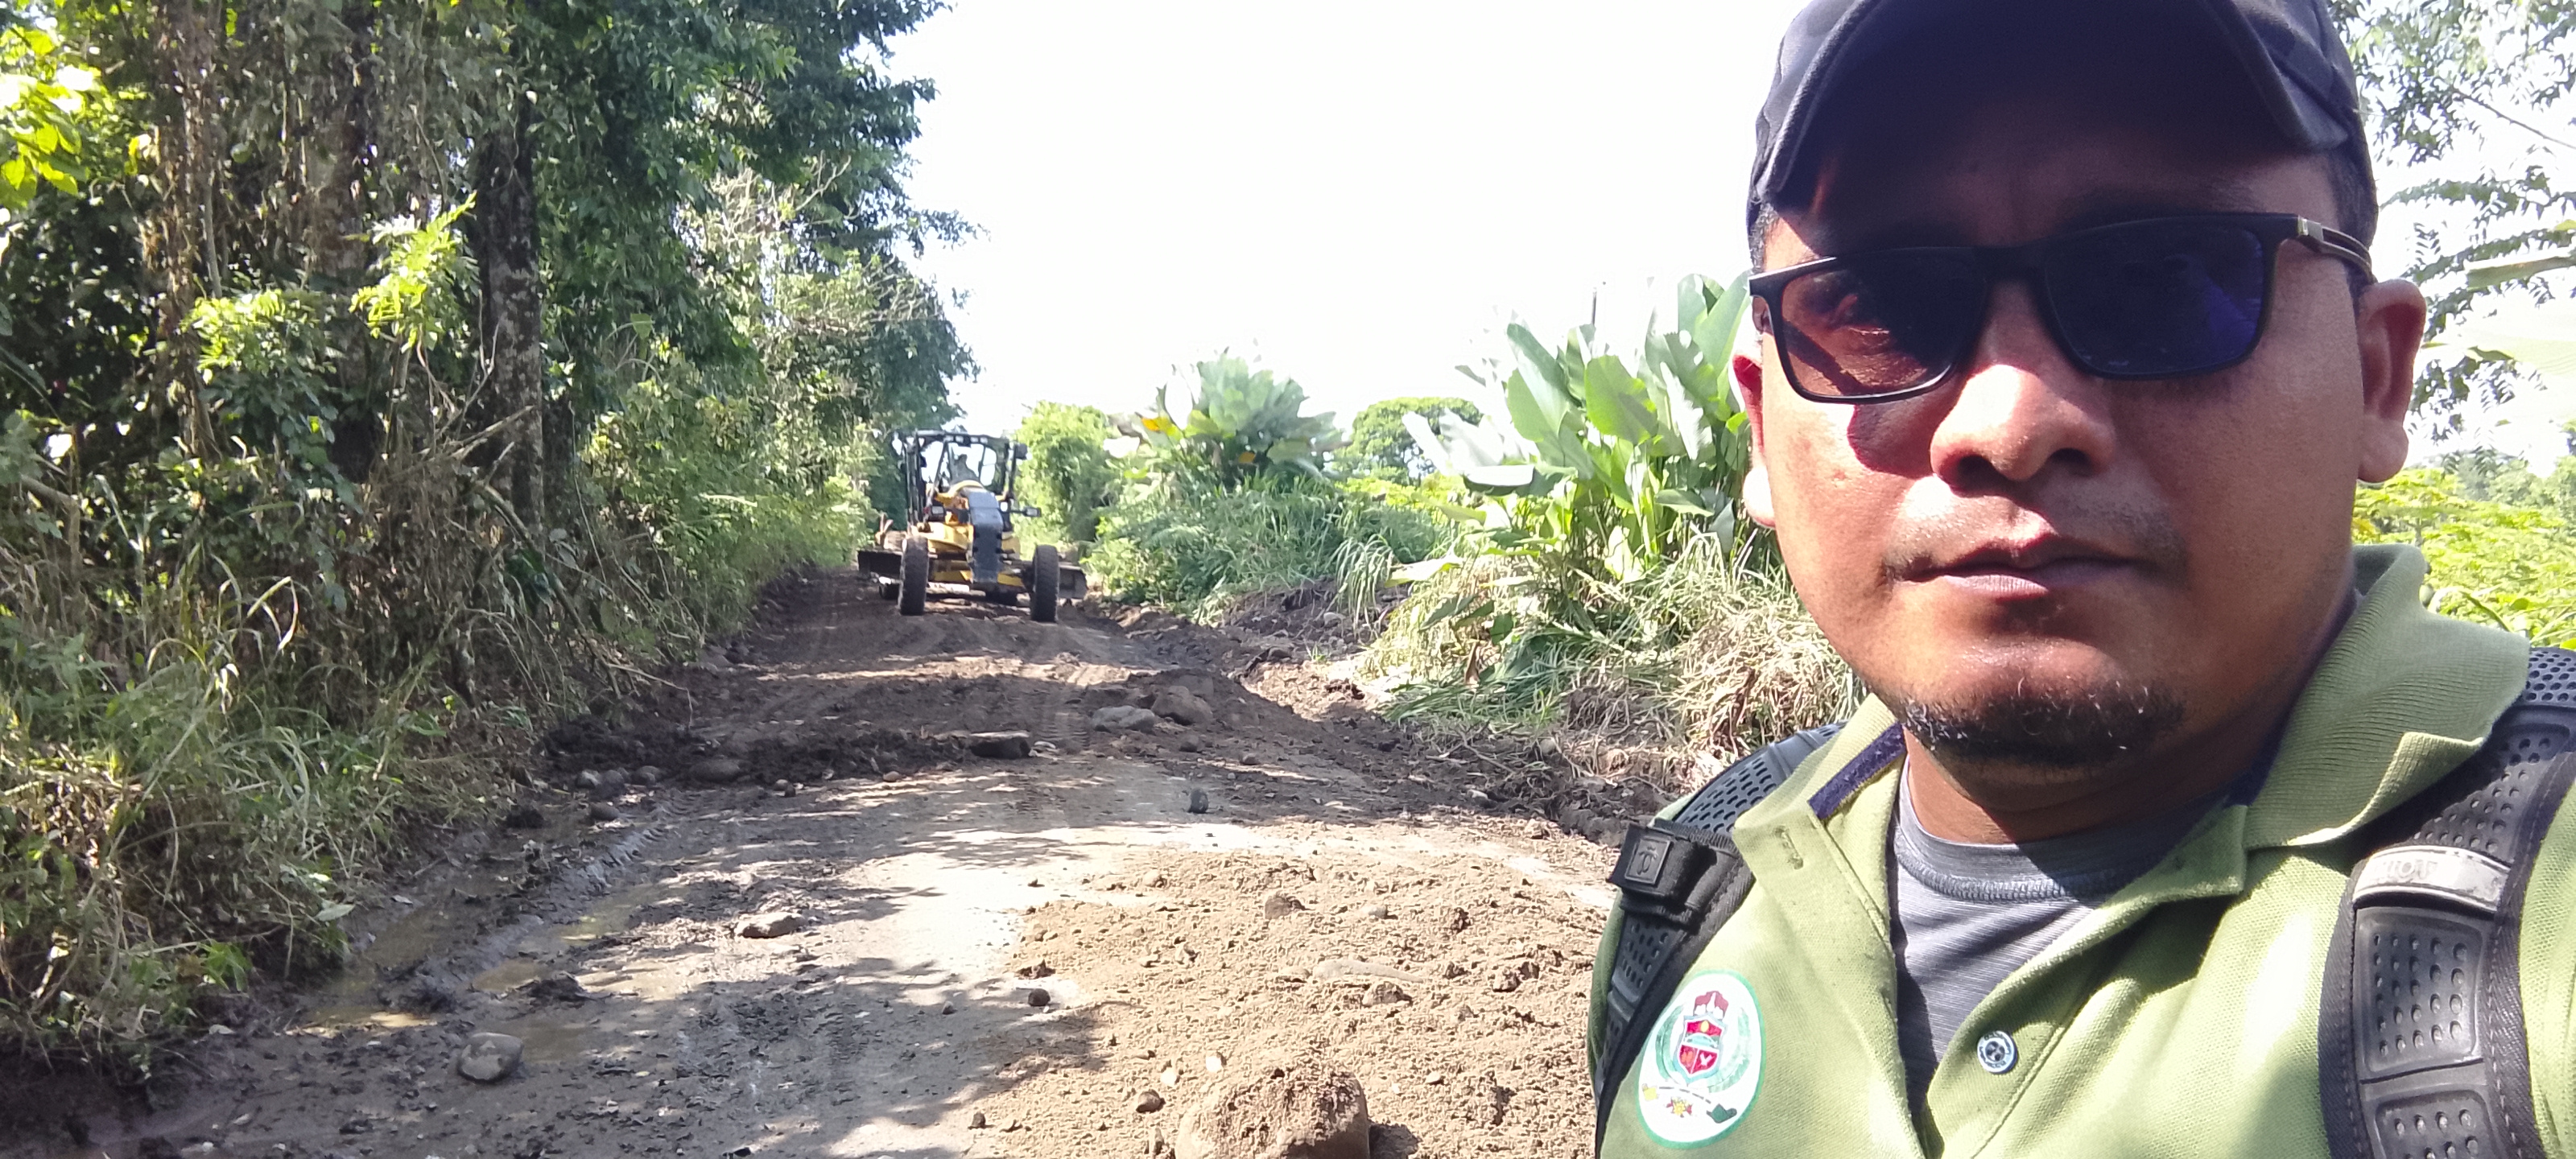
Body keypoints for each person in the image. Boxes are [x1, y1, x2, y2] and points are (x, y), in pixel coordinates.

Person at [1583, 0, 2576, 1155]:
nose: (2008, 424)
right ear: (1761, 430)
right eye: (1880, 312)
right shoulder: (1694, 892)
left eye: (2168, 280)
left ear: (2375, 378)